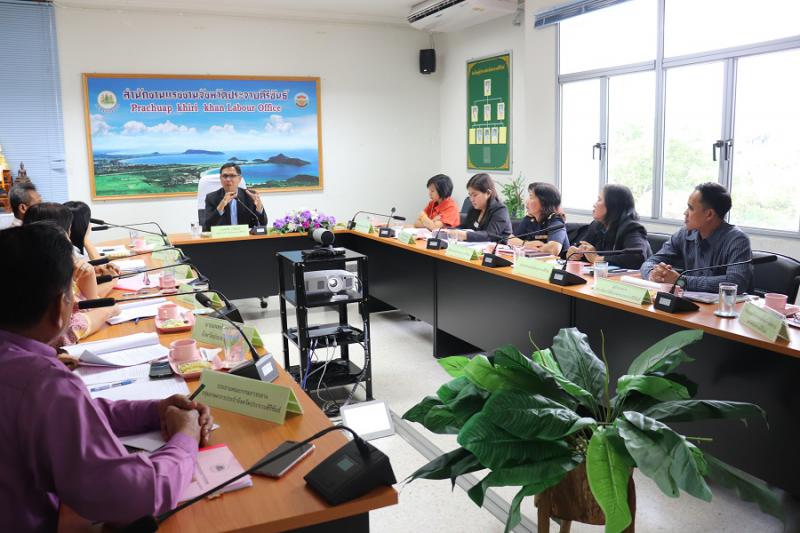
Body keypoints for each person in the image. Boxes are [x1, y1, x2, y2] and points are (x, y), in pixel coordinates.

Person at [0, 223, 213, 531]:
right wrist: (186, 437)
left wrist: (154, 410)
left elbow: (65, 415)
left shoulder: (29, 380)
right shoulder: (44, 383)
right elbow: (137, 495)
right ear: (60, 307)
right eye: (70, 294)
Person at [641, 182, 753, 293]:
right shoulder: (684, 234)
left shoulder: (737, 240)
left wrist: (681, 281)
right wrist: (654, 274)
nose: (685, 213)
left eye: (690, 208)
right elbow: (650, 262)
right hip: (690, 301)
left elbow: (736, 282)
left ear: (709, 214)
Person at [566, 184, 651, 269]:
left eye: (599, 200)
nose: (594, 204)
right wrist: (575, 253)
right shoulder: (596, 225)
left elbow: (637, 257)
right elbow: (586, 251)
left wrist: (598, 259)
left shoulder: (632, 228)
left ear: (613, 205)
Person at [507, 182, 569, 256]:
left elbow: (553, 249)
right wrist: (526, 244)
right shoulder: (530, 219)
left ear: (544, 202)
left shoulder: (556, 221)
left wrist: (524, 245)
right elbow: (509, 239)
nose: (526, 201)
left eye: (531, 197)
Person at [203, 163, 266, 231]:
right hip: (223, 236)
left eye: (232, 176)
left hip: (245, 236)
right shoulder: (211, 198)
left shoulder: (250, 195)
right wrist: (222, 205)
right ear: (220, 178)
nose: (228, 179)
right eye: (225, 176)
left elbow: (263, 223)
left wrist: (259, 207)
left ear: (239, 179)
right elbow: (207, 226)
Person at [450, 173, 512, 242]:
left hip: (497, 247)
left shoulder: (500, 210)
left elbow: (490, 235)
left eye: (475, 195)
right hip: (474, 247)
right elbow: (466, 227)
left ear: (488, 193)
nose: (471, 199)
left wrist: (464, 235)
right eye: (470, 195)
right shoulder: (473, 209)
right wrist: (450, 230)